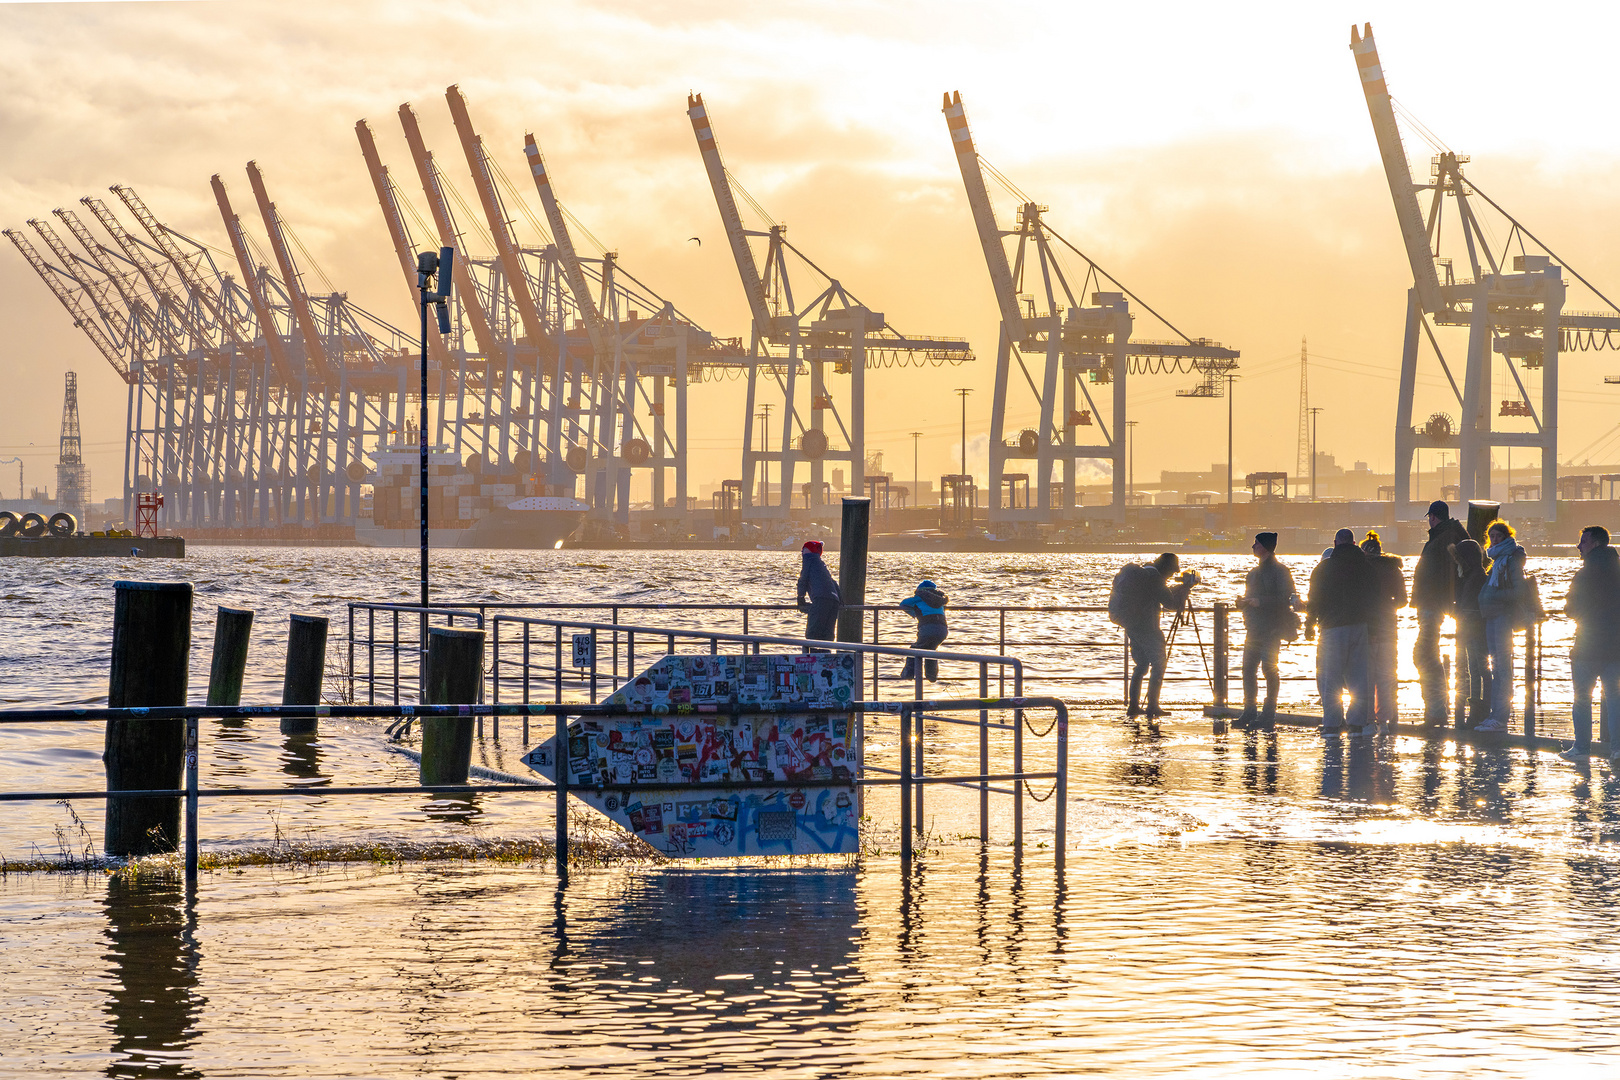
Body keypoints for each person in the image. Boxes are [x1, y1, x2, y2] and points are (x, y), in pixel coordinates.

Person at [1108, 552, 1196, 718]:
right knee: (1159, 664)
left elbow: (1158, 594)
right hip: (1148, 628)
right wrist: (1184, 590)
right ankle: (1153, 706)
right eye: (1171, 572)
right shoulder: (1155, 579)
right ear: (1165, 568)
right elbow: (1171, 604)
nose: (1172, 575)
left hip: (1132, 624)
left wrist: (1175, 589)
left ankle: (1134, 706)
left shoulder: (1145, 574)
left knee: (1141, 666)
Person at [1305, 528, 1374, 735]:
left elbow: (1314, 600)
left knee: (1330, 677)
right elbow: (1375, 598)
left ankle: (1333, 724)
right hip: (1360, 626)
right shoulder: (1366, 567)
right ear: (1354, 544)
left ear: (1335, 543)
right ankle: (1356, 724)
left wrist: (1309, 624)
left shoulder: (1323, 569)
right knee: (1359, 677)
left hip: (1332, 627)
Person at [1563, 526, 1620, 760]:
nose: (1579, 546)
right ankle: (1617, 749)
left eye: (1583, 542)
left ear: (1595, 544)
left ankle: (1581, 748)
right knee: (1615, 698)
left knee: (1582, 698)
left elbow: (1570, 609)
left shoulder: (1584, 575)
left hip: (1587, 645)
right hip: (1616, 646)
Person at [1412, 500, 1469, 726]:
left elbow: (1451, 569)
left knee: (1423, 655)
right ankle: (1438, 708)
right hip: (1434, 602)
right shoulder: (1449, 534)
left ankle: (1436, 709)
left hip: (1433, 603)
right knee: (1427, 655)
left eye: (1430, 517)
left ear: (1433, 517)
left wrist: (1446, 597)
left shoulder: (1444, 537)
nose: (1429, 520)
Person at [1237, 531, 1299, 731]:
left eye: (1256, 543)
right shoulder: (1254, 572)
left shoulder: (1280, 571)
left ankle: (1268, 712)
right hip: (1254, 628)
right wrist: (1244, 603)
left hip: (1271, 629)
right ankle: (1250, 710)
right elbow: (1252, 596)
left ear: (1264, 547)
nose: (1253, 546)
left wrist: (1260, 602)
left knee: (1268, 670)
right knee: (1248, 669)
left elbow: (1287, 599)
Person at [1475, 519, 1526, 734]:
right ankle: (1495, 715)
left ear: (1506, 537)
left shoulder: (1510, 559)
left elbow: (1519, 590)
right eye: (1491, 536)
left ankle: (1500, 716)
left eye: (1498, 536)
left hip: (1502, 617)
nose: (1494, 540)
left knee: (1503, 668)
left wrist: (1494, 596)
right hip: (1492, 616)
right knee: (1495, 667)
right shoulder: (1497, 559)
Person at [1360, 530, 1408, 727]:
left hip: (1368, 629)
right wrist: (1389, 606)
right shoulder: (1394, 570)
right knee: (1387, 674)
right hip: (1389, 628)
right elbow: (1403, 600)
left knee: (1367, 675)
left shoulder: (1361, 570)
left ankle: (1368, 717)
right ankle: (1387, 717)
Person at [1451, 538, 1491, 729]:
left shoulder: (1475, 578)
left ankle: (1479, 710)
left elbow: (1469, 607)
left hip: (1475, 631)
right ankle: (1478, 709)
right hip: (1472, 630)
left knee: (1479, 670)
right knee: (1477, 670)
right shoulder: (1472, 576)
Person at [898, 579, 949, 681]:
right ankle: (932, 676)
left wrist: (914, 613)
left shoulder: (919, 598)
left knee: (915, 649)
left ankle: (908, 674)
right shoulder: (940, 600)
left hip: (927, 628)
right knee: (931, 649)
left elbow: (903, 603)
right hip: (943, 629)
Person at [796, 540, 841, 641]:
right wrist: (840, 600)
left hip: (821, 600)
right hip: (834, 601)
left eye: (803, 550)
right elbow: (833, 582)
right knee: (827, 635)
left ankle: (813, 655)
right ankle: (826, 655)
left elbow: (803, 579)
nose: (802, 553)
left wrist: (800, 597)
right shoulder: (821, 564)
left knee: (813, 634)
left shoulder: (809, 560)